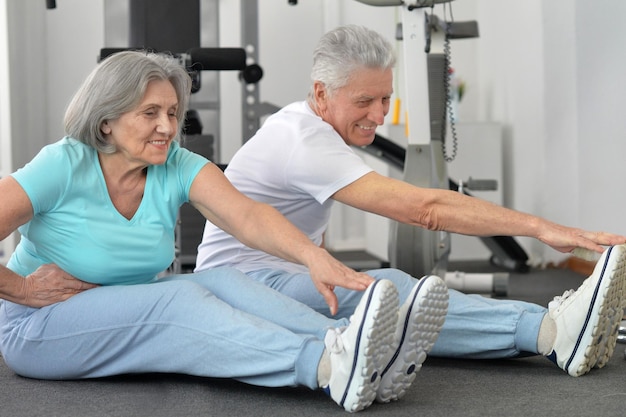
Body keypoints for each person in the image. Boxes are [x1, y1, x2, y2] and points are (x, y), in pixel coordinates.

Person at [0, 50, 451, 413]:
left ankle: (348, 349)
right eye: (150, 113)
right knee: (179, 298)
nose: (168, 127)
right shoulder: (63, 164)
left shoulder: (175, 164)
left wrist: (314, 257)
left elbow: (249, 217)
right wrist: (19, 288)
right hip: (39, 327)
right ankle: (326, 366)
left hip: (115, 305)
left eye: (173, 112)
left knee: (223, 280)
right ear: (106, 121)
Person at [195, 25, 626, 378]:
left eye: (385, 98)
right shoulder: (304, 141)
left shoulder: (306, 125)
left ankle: (546, 337)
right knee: (388, 290)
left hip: (270, 280)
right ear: (322, 94)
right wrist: (541, 228)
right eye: (364, 101)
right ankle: (551, 331)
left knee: (392, 310)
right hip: (242, 291)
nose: (380, 116)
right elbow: (427, 211)